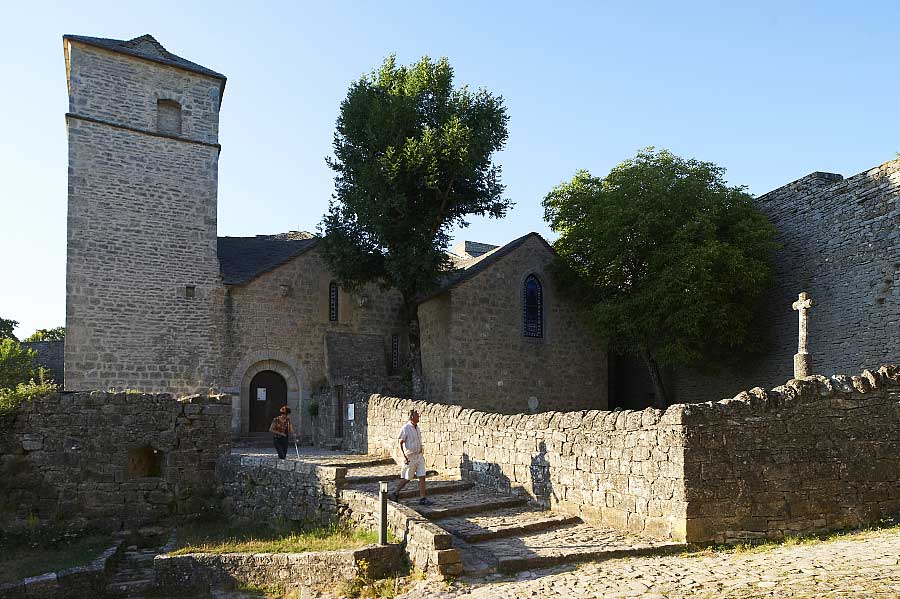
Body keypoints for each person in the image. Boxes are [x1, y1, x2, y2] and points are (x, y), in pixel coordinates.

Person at [393, 409, 433, 505]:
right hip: (410, 456)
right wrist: (404, 456)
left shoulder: (417, 428)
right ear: (412, 417)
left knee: (422, 476)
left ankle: (422, 498)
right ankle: (395, 492)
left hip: (419, 456)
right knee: (407, 478)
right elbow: (400, 442)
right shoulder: (406, 428)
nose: (418, 416)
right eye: (417, 415)